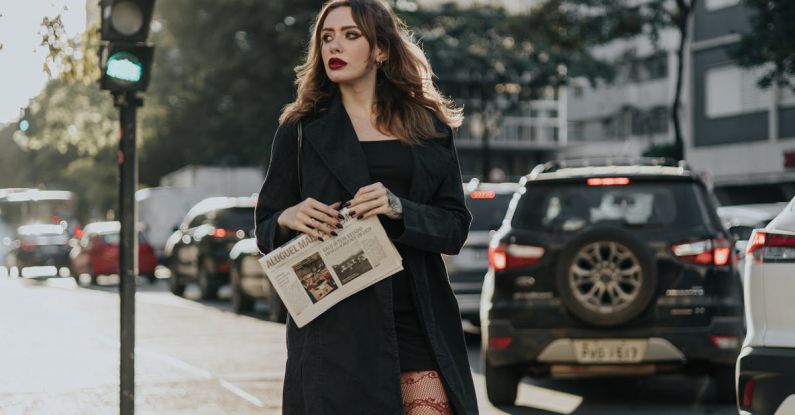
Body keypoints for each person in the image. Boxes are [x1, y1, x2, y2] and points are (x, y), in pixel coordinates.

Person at [255, 1, 478, 414]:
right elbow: (266, 226)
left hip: (417, 315)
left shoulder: (427, 126)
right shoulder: (300, 128)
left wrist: (399, 208)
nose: (334, 46)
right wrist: (289, 216)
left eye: (350, 35)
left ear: (381, 50)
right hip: (335, 329)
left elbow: (454, 227)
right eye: (327, 37)